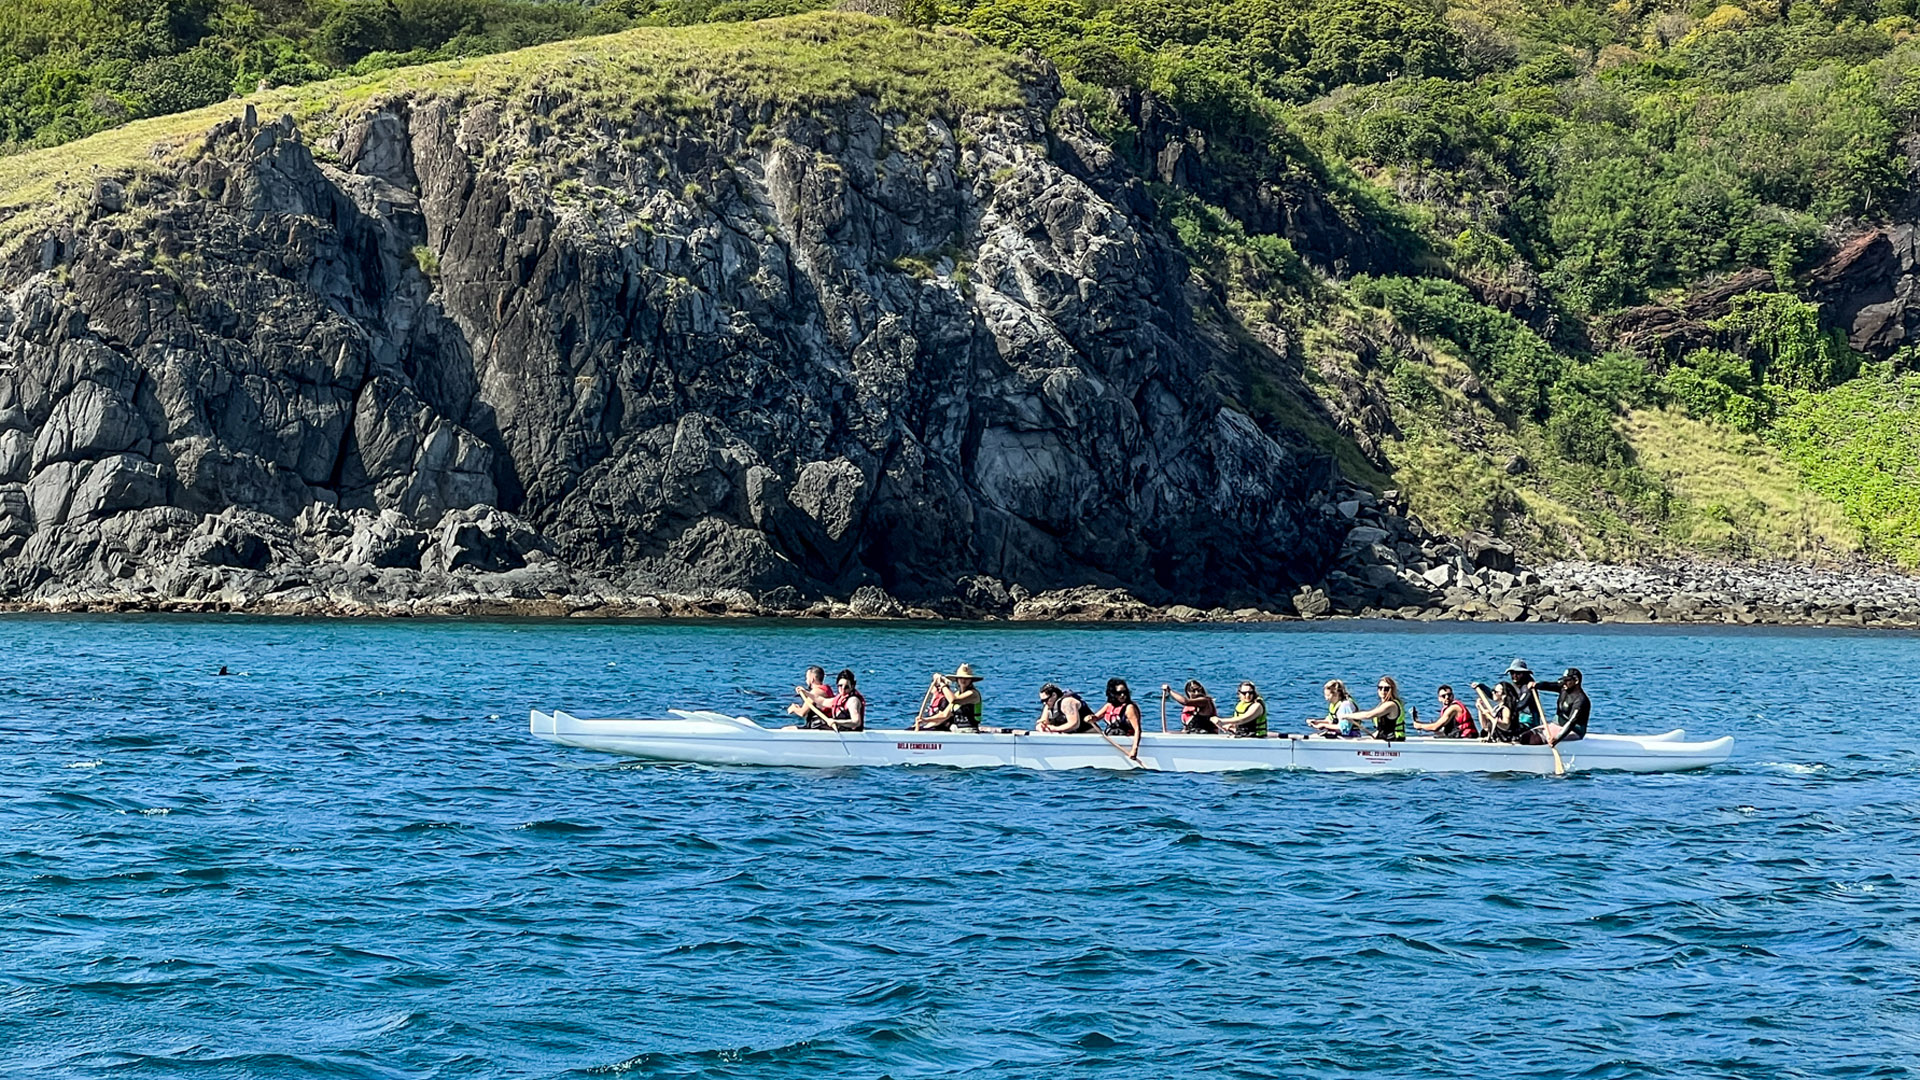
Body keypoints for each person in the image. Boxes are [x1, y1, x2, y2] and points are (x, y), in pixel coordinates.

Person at [1524, 667, 1591, 745]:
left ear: (1576, 681)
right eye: (1564, 680)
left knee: (1537, 739)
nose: (1564, 682)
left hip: (1573, 731)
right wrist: (1536, 685)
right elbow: (1549, 685)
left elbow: (1571, 722)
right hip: (1556, 725)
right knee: (1525, 736)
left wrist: (1557, 738)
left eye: (1567, 680)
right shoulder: (1563, 688)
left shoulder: (1581, 700)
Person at [916, 663, 984, 731]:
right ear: (957, 680)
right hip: (958, 730)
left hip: (970, 730)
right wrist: (925, 720)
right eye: (961, 678)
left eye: (966, 678)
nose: (963, 680)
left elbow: (953, 700)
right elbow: (944, 715)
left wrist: (942, 685)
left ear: (971, 680)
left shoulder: (973, 694)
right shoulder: (957, 694)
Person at [1348, 676, 1409, 741]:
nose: (1383, 691)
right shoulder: (1381, 705)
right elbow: (1383, 728)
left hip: (1394, 740)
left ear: (1392, 690)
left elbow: (1368, 715)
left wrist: (1347, 716)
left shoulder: (1391, 705)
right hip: (1384, 738)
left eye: (1386, 689)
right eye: (1380, 688)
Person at [1096, 679, 1145, 757]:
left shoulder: (1129, 708)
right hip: (1112, 740)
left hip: (1125, 741)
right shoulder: (1109, 706)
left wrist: (1134, 749)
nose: (1122, 695)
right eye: (1119, 693)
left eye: (1124, 692)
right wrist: (1089, 718)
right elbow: (1095, 718)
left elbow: (1137, 729)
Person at [1505, 659, 1546, 735]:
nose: (1514, 676)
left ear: (1524, 674)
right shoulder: (1512, 686)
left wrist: (1506, 709)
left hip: (1529, 721)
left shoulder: (1529, 688)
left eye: (1518, 673)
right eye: (1512, 673)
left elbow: (1520, 705)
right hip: (1517, 719)